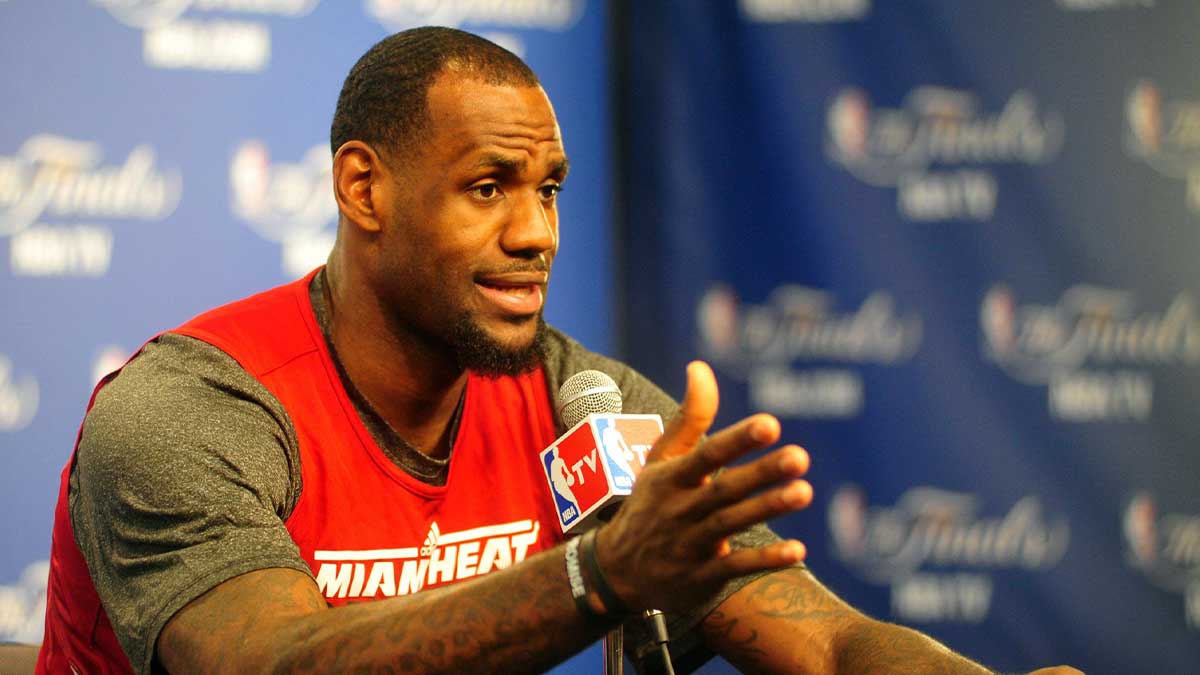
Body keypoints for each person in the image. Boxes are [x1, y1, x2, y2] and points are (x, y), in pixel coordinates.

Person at [36, 27, 1082, 675]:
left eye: (549, 190)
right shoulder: (192, 413)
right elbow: (274, 667)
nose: (538, 232)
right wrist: (599, 576)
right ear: (365, 190)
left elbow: (831, 642)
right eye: (489, 187)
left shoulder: (585, 407)